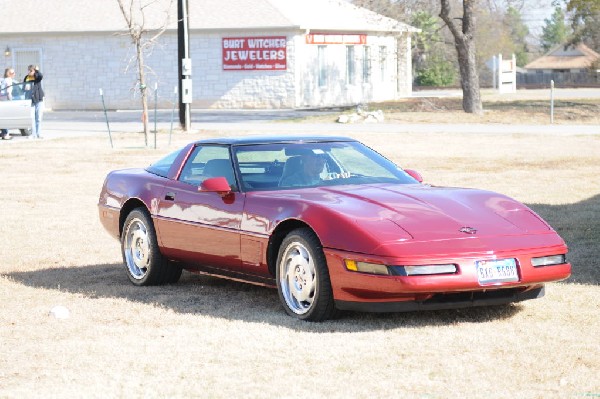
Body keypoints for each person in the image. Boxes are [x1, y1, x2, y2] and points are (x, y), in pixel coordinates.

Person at [24, 65, 44, 139]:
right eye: (28, 70)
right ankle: (33, 134)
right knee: (32, 118)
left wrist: (37, 71)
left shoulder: (37, 76)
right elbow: (23, 87)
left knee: (38, 118)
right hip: (31, 100)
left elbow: (41, 76)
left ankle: (39, 134)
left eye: (31, 70)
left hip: (39, 99)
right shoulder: (27, 77)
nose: (29, 72)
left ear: (34, 71)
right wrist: (25, 88)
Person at [0, 67, 15, 140]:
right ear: (8, 74)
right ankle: (5, 134)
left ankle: (3, 133)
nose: (14, 74)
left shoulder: (3, 80)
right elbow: (8, 92)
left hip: (1, 100)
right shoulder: (9, 80)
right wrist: (11, 101)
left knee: (2, 117)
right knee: (6, 118)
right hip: (5, 100)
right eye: (12, 73)